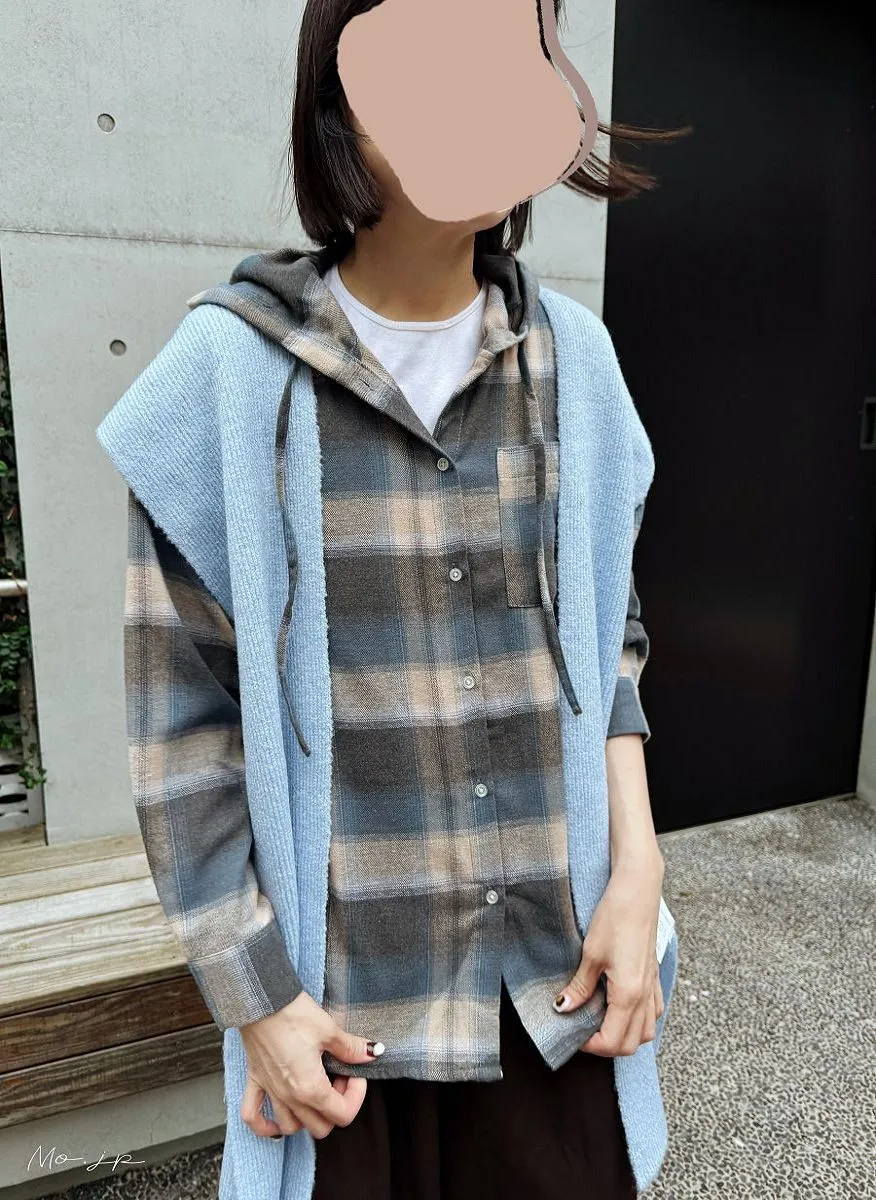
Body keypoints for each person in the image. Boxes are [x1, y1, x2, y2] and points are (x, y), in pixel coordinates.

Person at [97, 2, 681, 1197]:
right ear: (341, 99)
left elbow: (610, 644)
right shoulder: (223, 381)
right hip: (346, 1028)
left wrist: (639, 877)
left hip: (553, 1000)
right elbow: (182, 737)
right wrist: (257, 1001)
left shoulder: (578, 364)